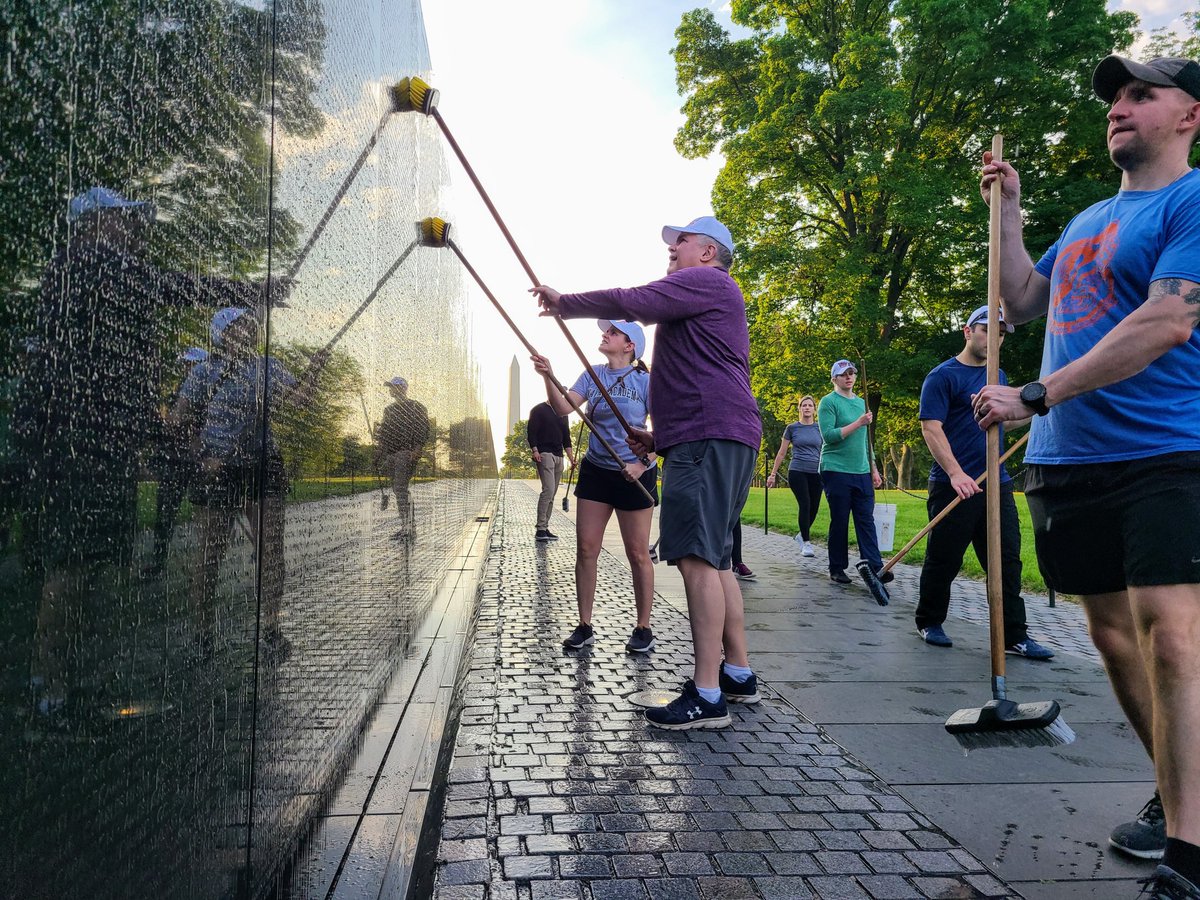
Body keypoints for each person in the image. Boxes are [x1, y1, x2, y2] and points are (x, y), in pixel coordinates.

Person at [974, 55, 1200, 896]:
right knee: (1111, 639)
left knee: (1171, 636)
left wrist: (1038, 391)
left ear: (1189, 116)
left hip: (1168, 449)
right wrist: (1010, 212)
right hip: (1071, 460)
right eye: (1114, 97)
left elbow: (1171, 318)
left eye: (1143, 93)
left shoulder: (1193, 201)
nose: (1120, 107)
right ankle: (1181, 795)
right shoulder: (1090, 216)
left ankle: (1189, 852)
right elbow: (1023, 298)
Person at [16, 187, 267, 723]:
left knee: (89, 564)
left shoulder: (93, 274)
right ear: (92, 224)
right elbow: (163, 286)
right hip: (80, 443)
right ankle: (50, 695)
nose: (133, 231)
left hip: (98, 441)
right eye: (122, 221)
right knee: (73, 563)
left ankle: (63, 682)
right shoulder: (85, 262)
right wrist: (249, 289)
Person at [531, 215, 763, 730]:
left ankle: (707, 696)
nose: (671, 251)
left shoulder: (706, 280)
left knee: (698, 559)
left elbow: (634, 299)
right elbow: (706, 376)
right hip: (714, 435)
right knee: (719, 558)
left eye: (679, 242)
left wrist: (564, 302)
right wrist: (660, 439)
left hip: (708, 439)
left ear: (707, 252)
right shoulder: (711, 295)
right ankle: (737, 674)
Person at [174, 307, 327, 663]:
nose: (249, 330)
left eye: (251, 326)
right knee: (210, 556)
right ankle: (202, 634)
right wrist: (202, 457)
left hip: (262, 464)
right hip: (218, 469)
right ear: (221, 334)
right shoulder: (204, 371)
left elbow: (299, 402)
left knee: (270, 550)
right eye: (239, 326)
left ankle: (271, 630)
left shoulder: (268, 366)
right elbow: (179, 419)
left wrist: (314, 369)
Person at [915, 305, 1054, 660]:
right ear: (968, 331)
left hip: (997, 481)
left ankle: (1014, 635)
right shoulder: (942, 376)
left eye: (1002, 333)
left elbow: (1001, 424)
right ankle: (929, 621)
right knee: (944, 559)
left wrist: (1034, 411)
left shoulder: (999, 377)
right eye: (987, 329)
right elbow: (931, 427)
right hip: (955, 484)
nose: (995, 337)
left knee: (1006, 561)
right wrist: (955, 473)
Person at [531, 319, 658, 654]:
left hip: (635, 472)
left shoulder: (647, 381)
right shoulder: (591, 375)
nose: (606, 334)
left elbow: (666, 432)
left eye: (614, 332)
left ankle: (643, 627)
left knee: (637, 553)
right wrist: (549, 376)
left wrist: (639, 463)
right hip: (597, 470)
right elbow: (561, 407)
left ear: (630, 346)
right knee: (586, 549)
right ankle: (585, 625)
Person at [818, 359, 884, 586]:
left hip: (862, 469)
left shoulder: (862, 403)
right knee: (840, 520)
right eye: (844, 374)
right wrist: (858, 422)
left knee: (866, 519)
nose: (849, 377)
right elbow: (829, 436)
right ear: (834, 378)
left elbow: (867, 441)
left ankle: (875, 567)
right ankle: (837, 567)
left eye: (852, 373)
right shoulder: (828, 402)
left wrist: (874, 468)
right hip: (836, 469)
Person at [148, 347, 209, 573]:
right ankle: (158, 561)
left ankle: (202, 563)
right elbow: (171, 423)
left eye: (192, 363)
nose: (187, 367)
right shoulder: (180, 390)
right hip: (176, 461)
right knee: (165, 513)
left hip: (198, 462)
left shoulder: (209, 391)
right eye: (185, 363)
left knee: (205, 513)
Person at [767, 395, 823, 557]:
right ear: (799, 408)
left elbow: (826, 450)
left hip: (816, 472)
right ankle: (806, 543)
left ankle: (801, 535)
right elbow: (782, 452)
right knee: (805, 504)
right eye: (804, 405)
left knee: (814, 508)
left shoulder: (820, 428)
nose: (807, 408)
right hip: (797, 471)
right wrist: (772, 474)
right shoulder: (792, 428)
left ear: (814, 409)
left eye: (810, 405)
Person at [375, 375, 429, 536]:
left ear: (403, 388)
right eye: (390, 387)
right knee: (399, 489)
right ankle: (407, 525)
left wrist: (417, 449)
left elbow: (423, 429)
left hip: (406, 453)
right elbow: (384, 434)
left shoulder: (416, 407)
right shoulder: (388, 410)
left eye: (394, 386)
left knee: (400, 488)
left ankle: (408, 527)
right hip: (391, 454)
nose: (391, 389)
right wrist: (378, 454)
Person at [526, 400, 576, 542]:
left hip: (559, 456)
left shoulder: (563, 412)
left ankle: (545, 526)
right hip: (544, 454)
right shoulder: (538, 409)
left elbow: (567, 436)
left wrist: (571, 458)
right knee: (548, 490)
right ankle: (540, 529)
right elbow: (531, 432)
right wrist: (535, 450)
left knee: (552, 494)